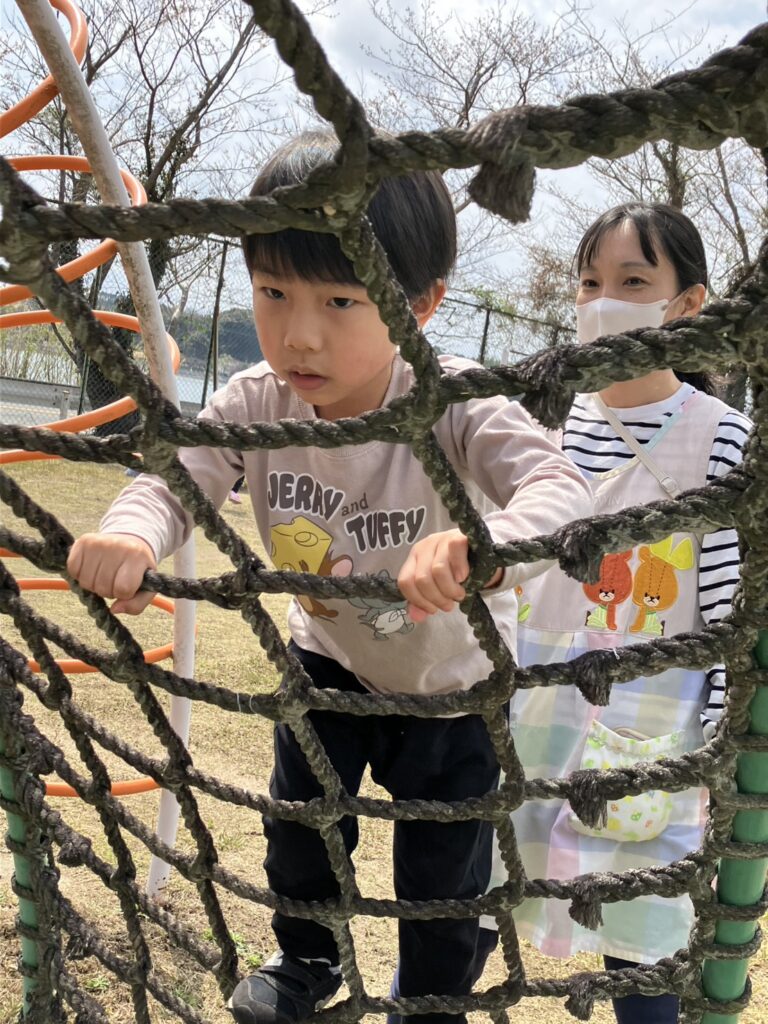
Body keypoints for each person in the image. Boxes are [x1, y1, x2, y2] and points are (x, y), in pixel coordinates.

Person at [66, 129, 592, 1024]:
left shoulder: (453, 400)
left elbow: (560, 488)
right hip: (330, 663)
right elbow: (176, 474)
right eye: (272, 292)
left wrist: (487, 541)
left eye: (341, 300)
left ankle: (433, 997)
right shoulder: (258, 401)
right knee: (301, 825)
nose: (298, 334)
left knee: (443, 877)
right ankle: (309, 959)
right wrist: (130, 532)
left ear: (421, 305)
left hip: (453, 688)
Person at [477, 202, 751, 1024]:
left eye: (633, 282)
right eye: (590, 282)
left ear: (687, 304)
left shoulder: (723, 439)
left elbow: (725, 611)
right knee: (471, 907)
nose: (604, 301)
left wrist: (716, 748)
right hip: (530, 711)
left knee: (643, 945)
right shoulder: (542, 426)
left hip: (650, 729)